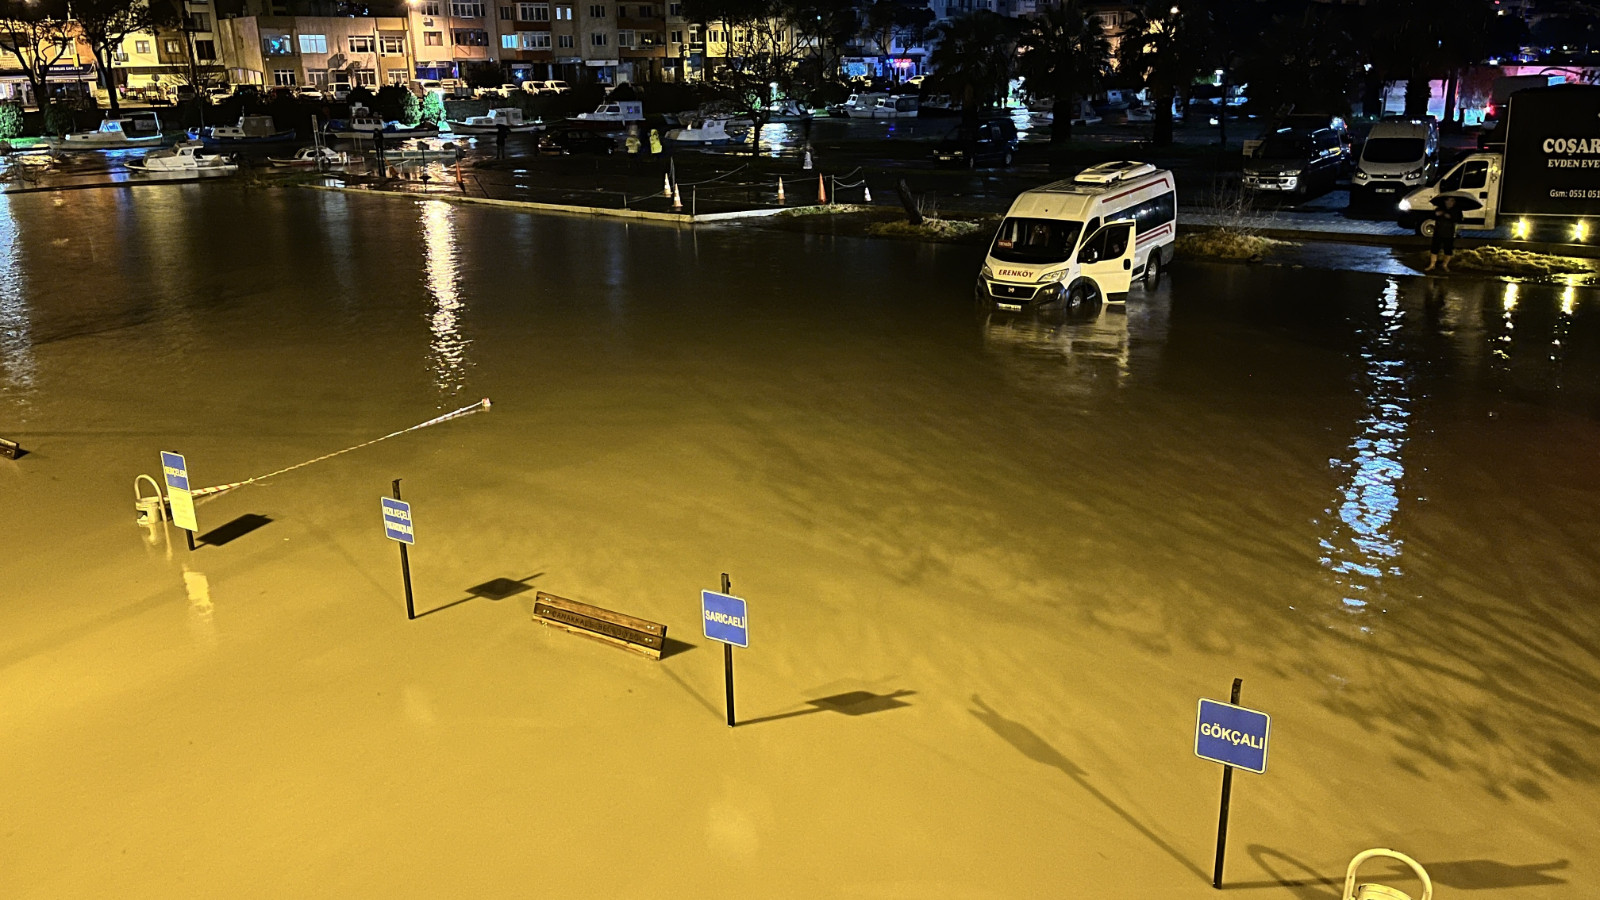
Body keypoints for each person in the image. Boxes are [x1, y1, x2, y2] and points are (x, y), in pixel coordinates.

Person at [1425, 196, 1460, 273]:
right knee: (1434, 248)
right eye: (1448, 200)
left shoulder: (1456, 210)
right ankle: (1432, 265)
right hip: (1438, 232)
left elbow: (1459, 219)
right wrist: (1436, 214)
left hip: (1449, 233)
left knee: (1448, 249)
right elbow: (1432, 216)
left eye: (1452, 201)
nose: (1450, 202)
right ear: (1445, 201)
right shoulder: (1440, 208)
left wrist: (1451, 217)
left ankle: (1445, 265)